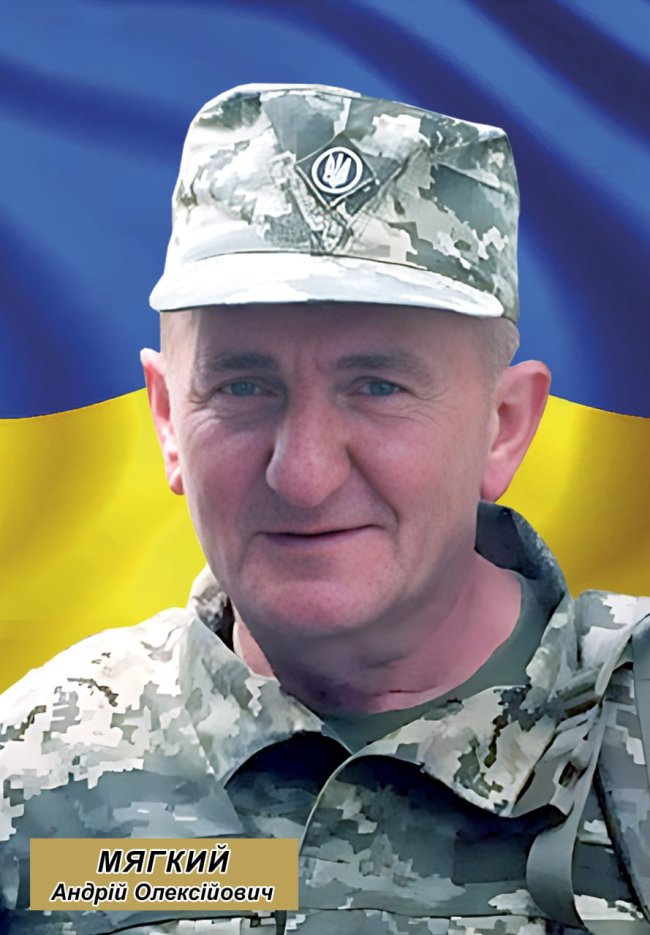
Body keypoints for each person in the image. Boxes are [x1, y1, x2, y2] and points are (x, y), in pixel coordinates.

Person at [1, 83, 649, 935]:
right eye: (243, 387)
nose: (303, 475)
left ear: (503, 427)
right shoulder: (37, 769)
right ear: (166, 418)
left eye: (378, 386)